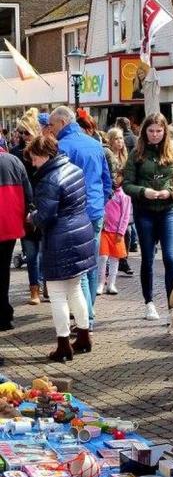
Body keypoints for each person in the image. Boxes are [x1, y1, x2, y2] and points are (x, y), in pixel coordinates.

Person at [26, 135, 95, 361]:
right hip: (81, 232)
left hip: (60, 239)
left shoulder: (49, 179)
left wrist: (31, 217)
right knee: (75, 289)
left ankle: (63, 345)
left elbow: (46, 216)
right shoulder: (74, 169)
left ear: (44, 155)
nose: (33, 163)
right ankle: (84, 336)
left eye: (34, 158)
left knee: (57, 295)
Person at [49, 106, 112, 331]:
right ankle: (88, 314)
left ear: (63, 122)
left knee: (80, 270)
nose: (51, 129)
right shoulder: (95, 144)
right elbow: (107, 180)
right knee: (91, 265)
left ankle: (87, 320)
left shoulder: (62, 147)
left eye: (53, 125)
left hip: (75, 214)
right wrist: (101, 202)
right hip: (95, 211)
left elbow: (59, 183)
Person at [123, 113, 173, 321]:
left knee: (171, 258)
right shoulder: (136, 154)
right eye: (151, 130)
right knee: (147, 258)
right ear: (144, 131)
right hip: (144, 211)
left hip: (167, 210)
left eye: (159, 131)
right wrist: (143, 191)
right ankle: (149, 302)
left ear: (165, 132)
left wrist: (170, 191)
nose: (155, 135)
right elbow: (126, 184)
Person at [12, 108, 42, 305]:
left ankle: (48, 285)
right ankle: (34, 289)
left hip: (46, 206)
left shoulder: (45, 149)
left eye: (26, 132)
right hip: (26, 210)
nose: (23, 136)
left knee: (46, 252)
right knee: (31, 253)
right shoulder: (15, 154)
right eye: (20, 132)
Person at [0, 151, 32, 330]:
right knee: (4, 269)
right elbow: (28, 193)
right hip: (10, 224)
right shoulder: (14, 161)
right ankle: (4, 315)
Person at [97, 170, 131, 296]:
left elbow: (125, 215)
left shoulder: (124, 194)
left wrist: (121, 231)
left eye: (118, 176)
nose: (115, 179)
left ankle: (111, 283)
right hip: (104, 230)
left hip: (116, 232)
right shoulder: (106, 191)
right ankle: (101, 282)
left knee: (114, 259)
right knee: (103, 257)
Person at [107, 127, 134, 276]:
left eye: (121, 138)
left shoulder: (126, 157)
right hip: (112, 197)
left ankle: (123, 258)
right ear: (111, 141)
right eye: (116, 138)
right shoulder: (109, 156)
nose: (120, 141)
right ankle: (110, 259)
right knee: (110, 230)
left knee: (127, 230)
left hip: (125, 196)